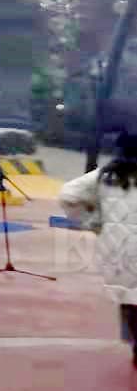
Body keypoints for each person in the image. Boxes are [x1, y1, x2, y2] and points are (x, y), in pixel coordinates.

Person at [58, 130, 137, 365]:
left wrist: (91, 222)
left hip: (116, 253)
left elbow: (68, 195)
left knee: (129, 299)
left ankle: (136, 345)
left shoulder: (106, 175)